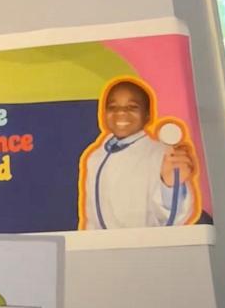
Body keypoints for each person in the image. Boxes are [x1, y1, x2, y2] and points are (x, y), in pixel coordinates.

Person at [79, 79, 196, 229]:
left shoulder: (164, 155)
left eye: (132, 107)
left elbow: (175, 216)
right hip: (105, 249)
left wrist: (170, 186)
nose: (121, 112)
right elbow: (92, 219)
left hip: (146, 247)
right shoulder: (95, 158)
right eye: (112, 107)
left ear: (147, 115)